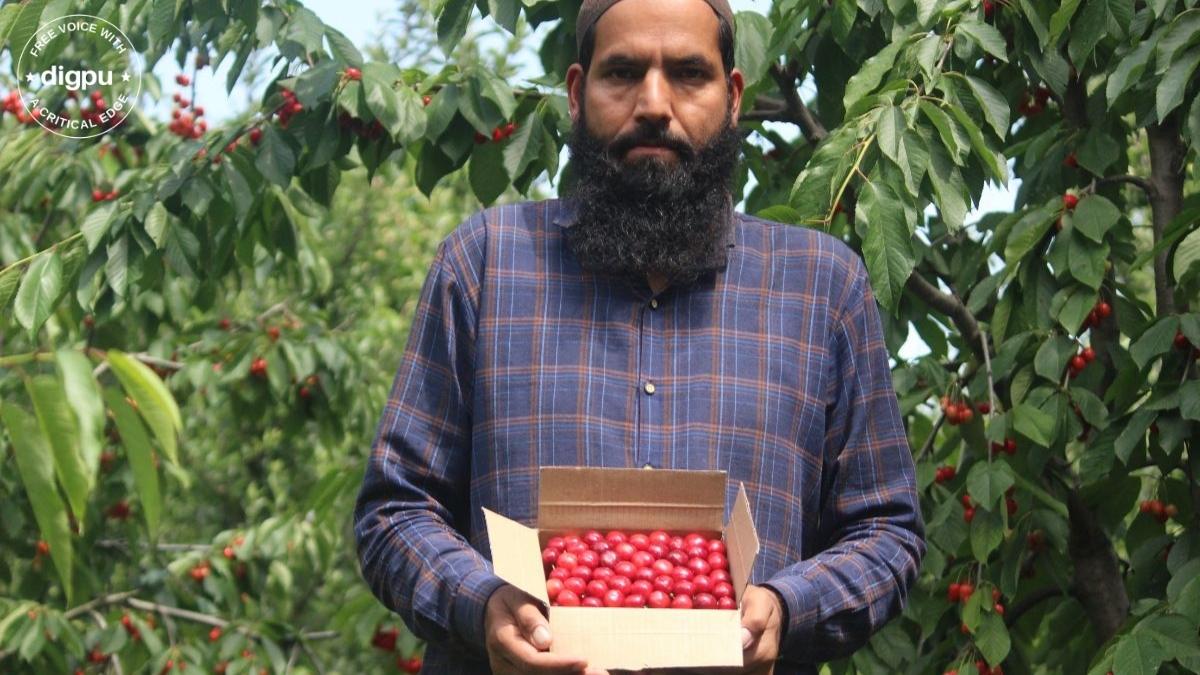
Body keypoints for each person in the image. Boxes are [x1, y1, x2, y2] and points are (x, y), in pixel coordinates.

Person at [353, 0, 926, 672]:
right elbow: (394, 510)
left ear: (733, 96)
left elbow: (887, 531)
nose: (654, 104)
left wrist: (792, 604)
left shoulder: (823, 288)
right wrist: (480, 602)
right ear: (576, 92)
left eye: (688, 74)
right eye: (622, 73)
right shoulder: (484, 266)